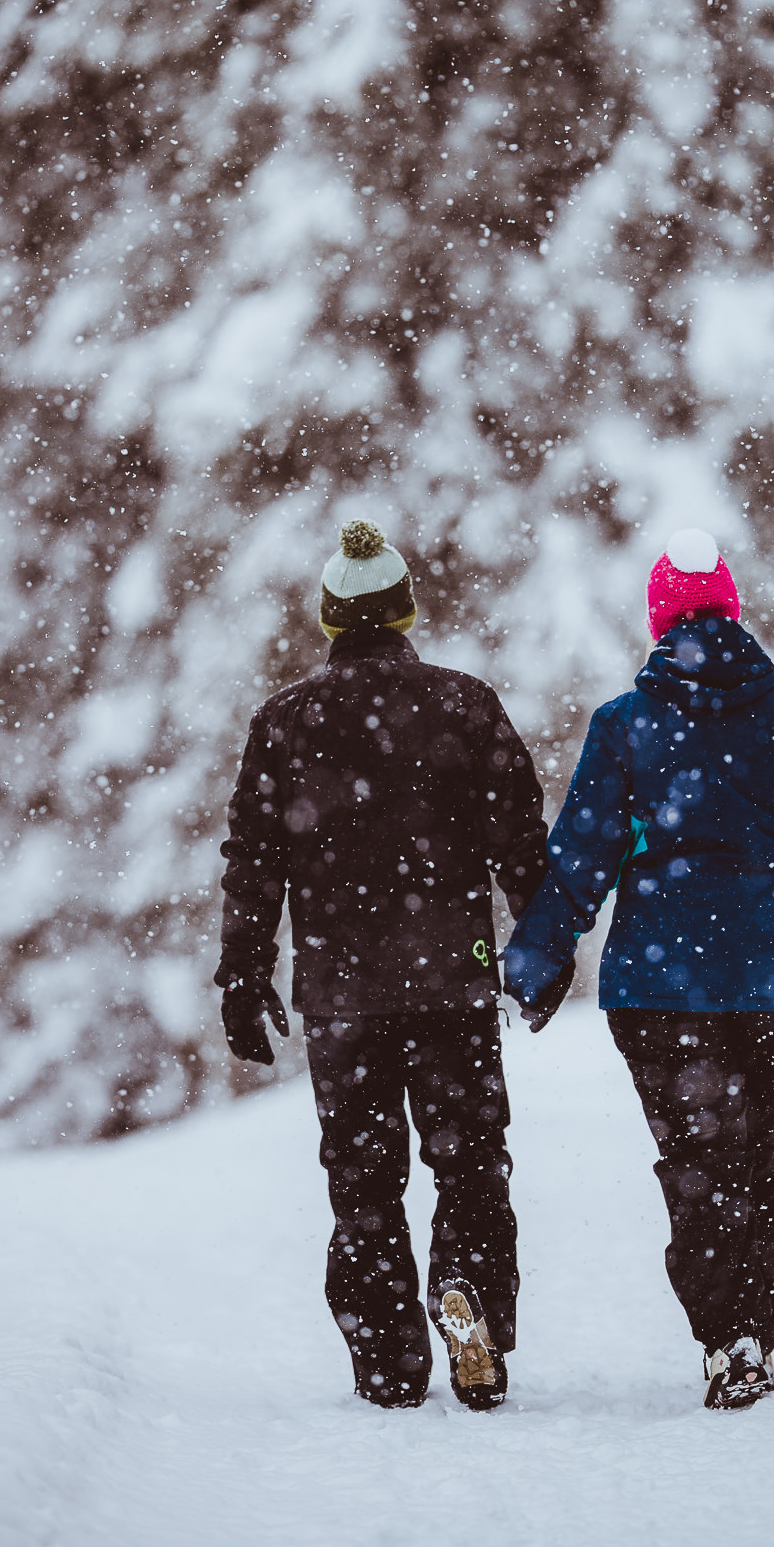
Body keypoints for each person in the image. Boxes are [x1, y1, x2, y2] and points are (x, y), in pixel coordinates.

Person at [502, 528, 774, 1411]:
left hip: (662, 990)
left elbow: (580, 860)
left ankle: (724, 1337)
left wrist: (537, 962)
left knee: (697, 1162)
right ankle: (757, 1333)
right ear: (733, 614)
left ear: (659, 623)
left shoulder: (625, 726)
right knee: (760, 1154)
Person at [216, 519, 548, 1410]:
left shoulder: (283, 722)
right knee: (470, 1164)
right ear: (405, 612)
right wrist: (540, 946)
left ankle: (386, 1362)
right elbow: (520, 839)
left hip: (342, 995)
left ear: (330, 620)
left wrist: (243, 975)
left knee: (362, 1181)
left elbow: (253, 862)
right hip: (452, 981)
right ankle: (470, 1295)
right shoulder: (464, 704)